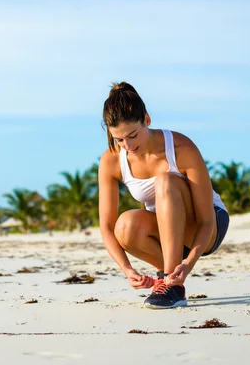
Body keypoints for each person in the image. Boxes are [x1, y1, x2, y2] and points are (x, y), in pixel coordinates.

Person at [98, 82, 229, 309]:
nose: (127, 145)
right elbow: (107, 228)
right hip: (166, 234)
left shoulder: (180, 147)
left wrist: (188, 265)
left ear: (147, 120)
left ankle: (173, 286)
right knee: (124, 225)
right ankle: (168, 278)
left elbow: (206, 219)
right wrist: (127, 270)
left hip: (207, 226)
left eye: (132, 135)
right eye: (119, 139)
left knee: (165, 179)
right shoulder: (111, 160)